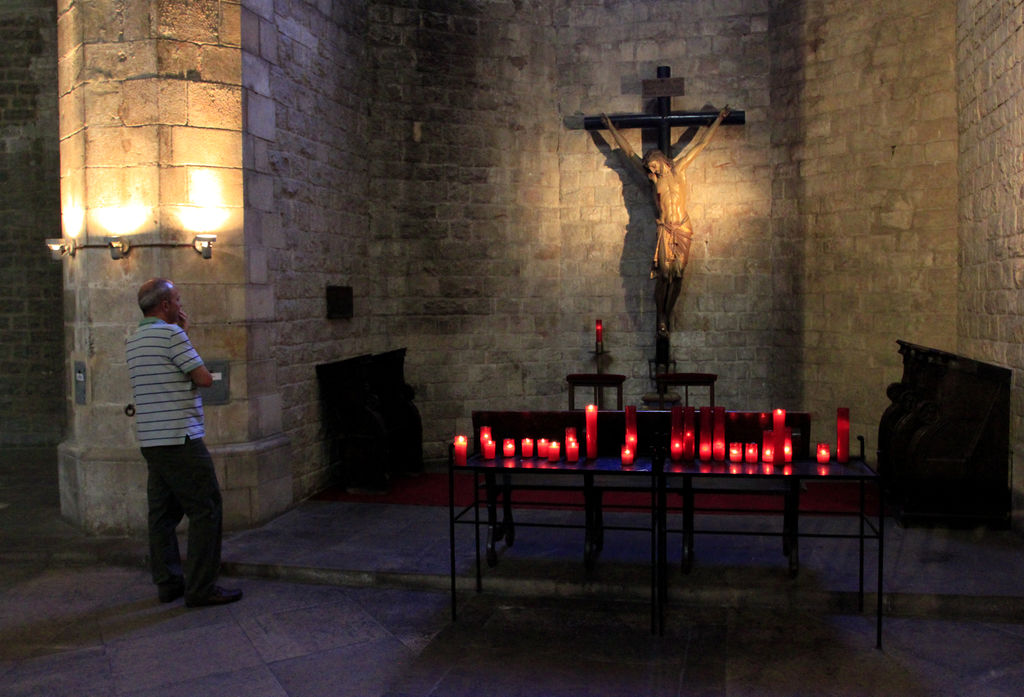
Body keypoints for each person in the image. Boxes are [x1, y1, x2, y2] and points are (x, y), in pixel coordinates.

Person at [125, 278, 242, 608]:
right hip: (180, 437)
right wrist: (183, 333)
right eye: (176, 299)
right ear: (164, 306)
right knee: (206, 509)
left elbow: (165, 372)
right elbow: (202, 377)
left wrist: (183, 334)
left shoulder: (134, 340)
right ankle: (202, 587)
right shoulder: (171, 334)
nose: (180, 304)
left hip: (152, 439)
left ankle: (169, 583)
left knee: (162, 515)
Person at [601, 106, 731, 339]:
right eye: (649, 168)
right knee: (664, 274)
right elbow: (629, 152)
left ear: (659, 160)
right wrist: (610, 127)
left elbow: (700, 145)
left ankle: (668, 313)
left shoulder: (679, 168)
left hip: (682, 227)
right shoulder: (652, 179)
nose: (650, 170)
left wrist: (719, 120)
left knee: (679, 275)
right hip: (665, 230)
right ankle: (661, 315)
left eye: (652, 166)